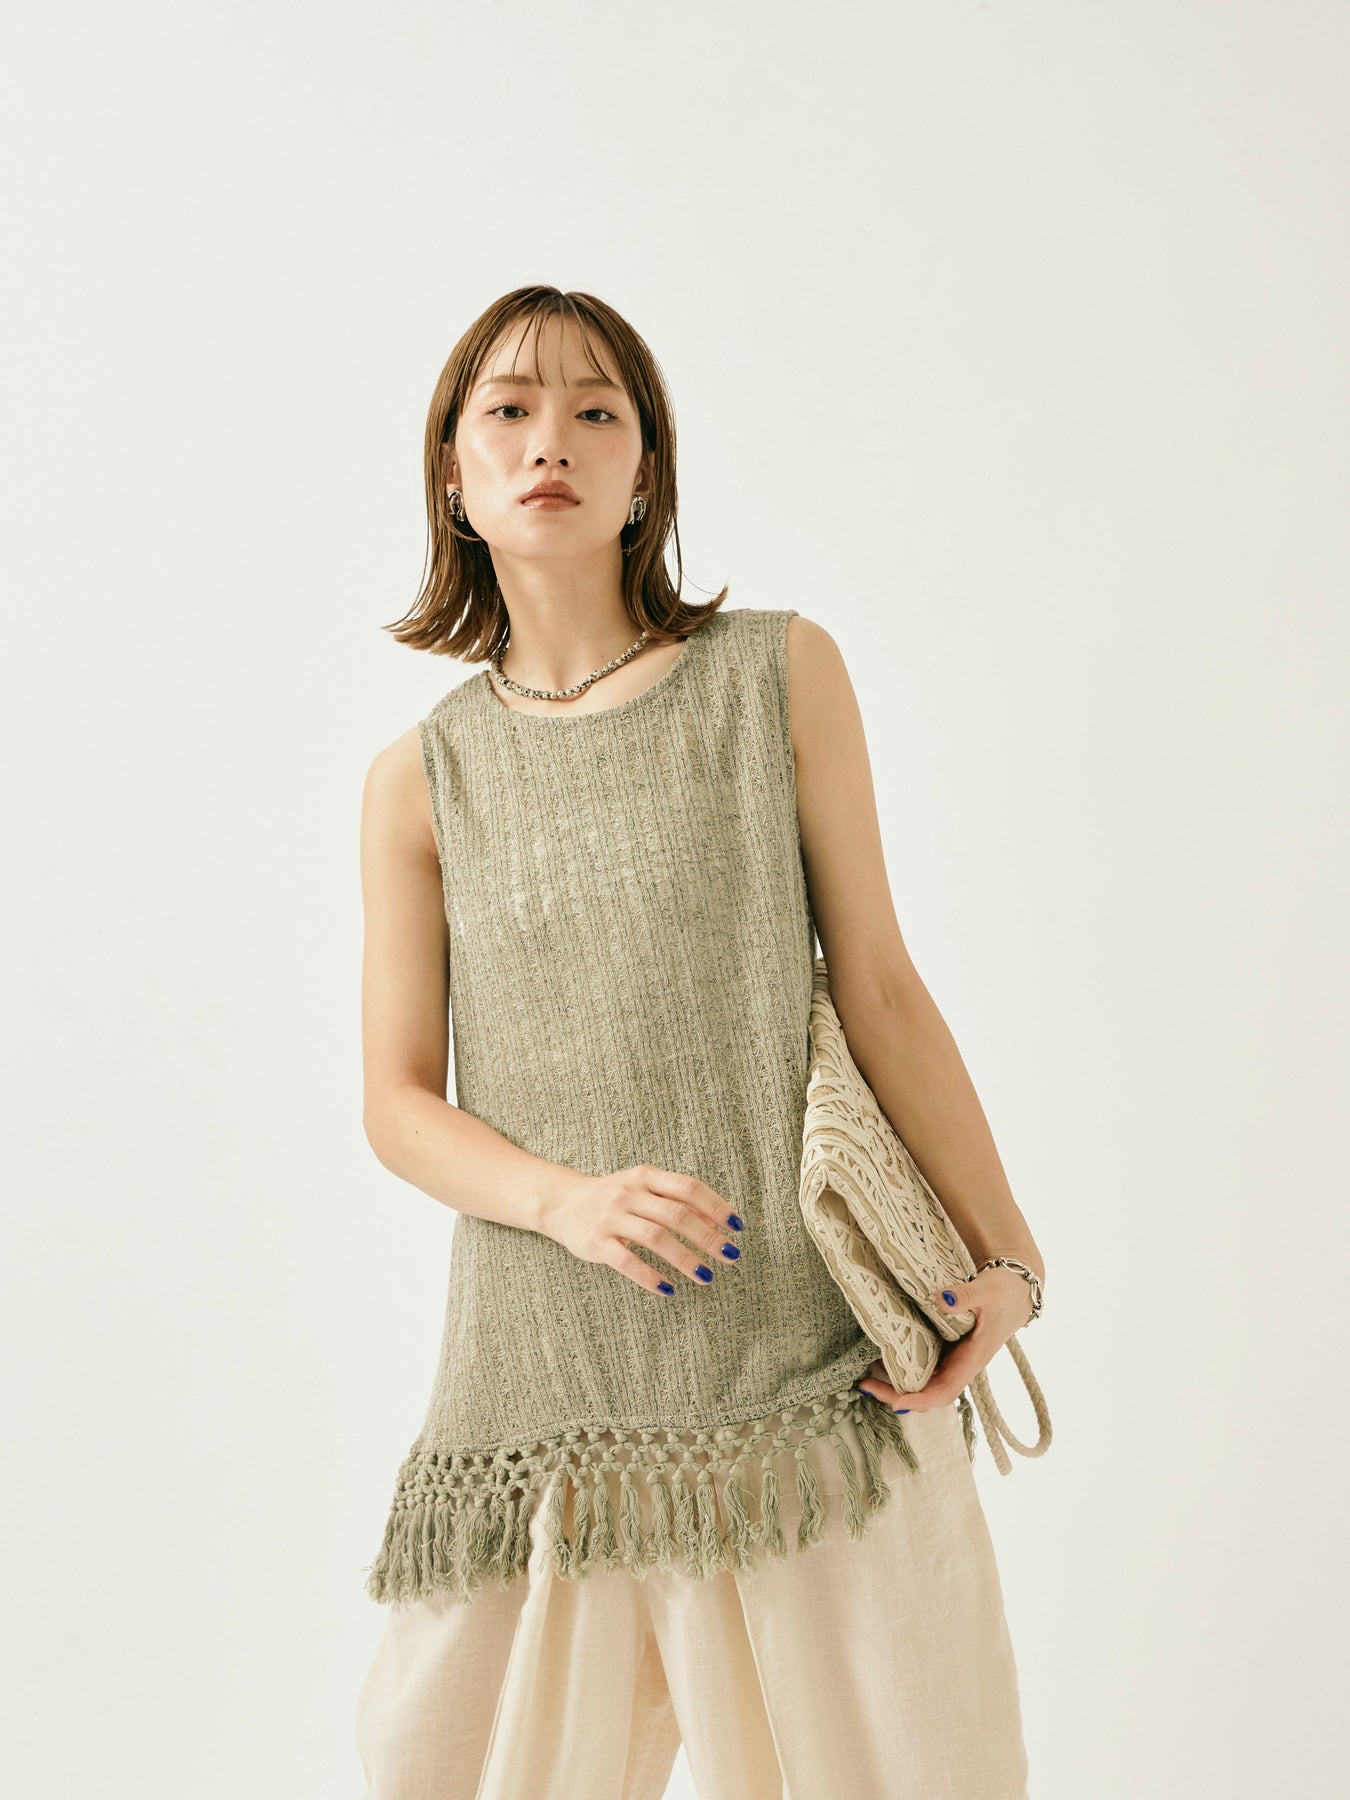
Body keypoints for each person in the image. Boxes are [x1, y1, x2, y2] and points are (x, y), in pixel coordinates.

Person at [353, 284, 1042, 1799]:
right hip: (545, 1383)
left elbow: (880, 987)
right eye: (508, 411)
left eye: (595, 410)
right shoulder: (422, 780)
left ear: (645, 471)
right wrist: (565, 1202)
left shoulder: (775, 674)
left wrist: (1006, 1257)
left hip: (804, 1373)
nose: (551, 441)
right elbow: (398, 1104)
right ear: (454, 475)